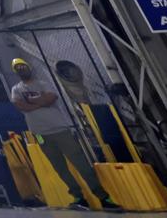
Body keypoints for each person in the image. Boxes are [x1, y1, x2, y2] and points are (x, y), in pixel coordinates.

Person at [9, 56, 114, 208]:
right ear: (16, 72)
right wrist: (40, 102)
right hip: (40, 133)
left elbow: (51, 99)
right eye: (18, 68)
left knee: (81, 163)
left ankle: (103, 197)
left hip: (59, 129)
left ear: (28, 67)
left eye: (23, 66)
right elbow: (21, 106)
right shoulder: (16, 89)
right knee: (60, 168)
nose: (21, 70)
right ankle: (79, 197)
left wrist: (31, 103)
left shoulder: (43, 84)